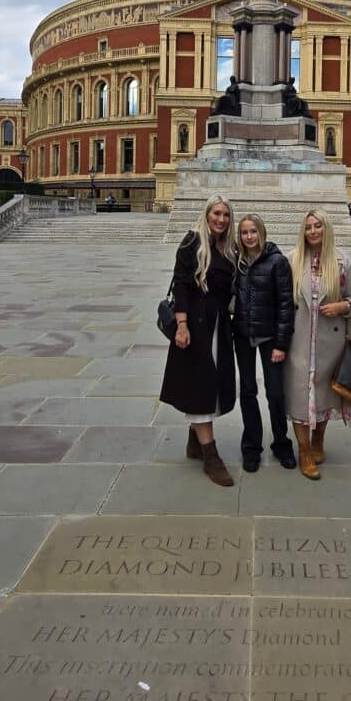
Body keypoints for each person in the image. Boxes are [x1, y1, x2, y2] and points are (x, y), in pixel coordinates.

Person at [159, 195, 238, 486]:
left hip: (219, 325)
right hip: (194, 324)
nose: (221, 219)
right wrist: (181, 325)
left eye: (226, 215)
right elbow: (181, 284)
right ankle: (211, 456)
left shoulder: (229, 248)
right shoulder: (192, 242)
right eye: (216, 213)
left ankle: (194, 438)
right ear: (206, 215)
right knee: (202, 384)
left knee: (212, 383)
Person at [283, 208, 351, 480]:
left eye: (318, 226)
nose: (313, 231)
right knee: (299, 397)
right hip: (298, 342)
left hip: (331, 344)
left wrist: (343, 305)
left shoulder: (342, 262)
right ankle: (304, 450)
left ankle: (318, 441)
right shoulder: (292, 261)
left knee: (324, 397)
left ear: (326, 228)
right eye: (308, 227)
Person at [233, 213, 296, 472]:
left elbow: (286, 305)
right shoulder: (235, 261)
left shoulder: (277, 262)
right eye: (244, 232)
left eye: (253, 231)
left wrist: (281, 344)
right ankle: (251, 447)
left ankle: (282, 444)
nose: (249, 237)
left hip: (270, 337)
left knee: (275, 393)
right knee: (248, 392)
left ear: (262, 233)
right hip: (242, 335)